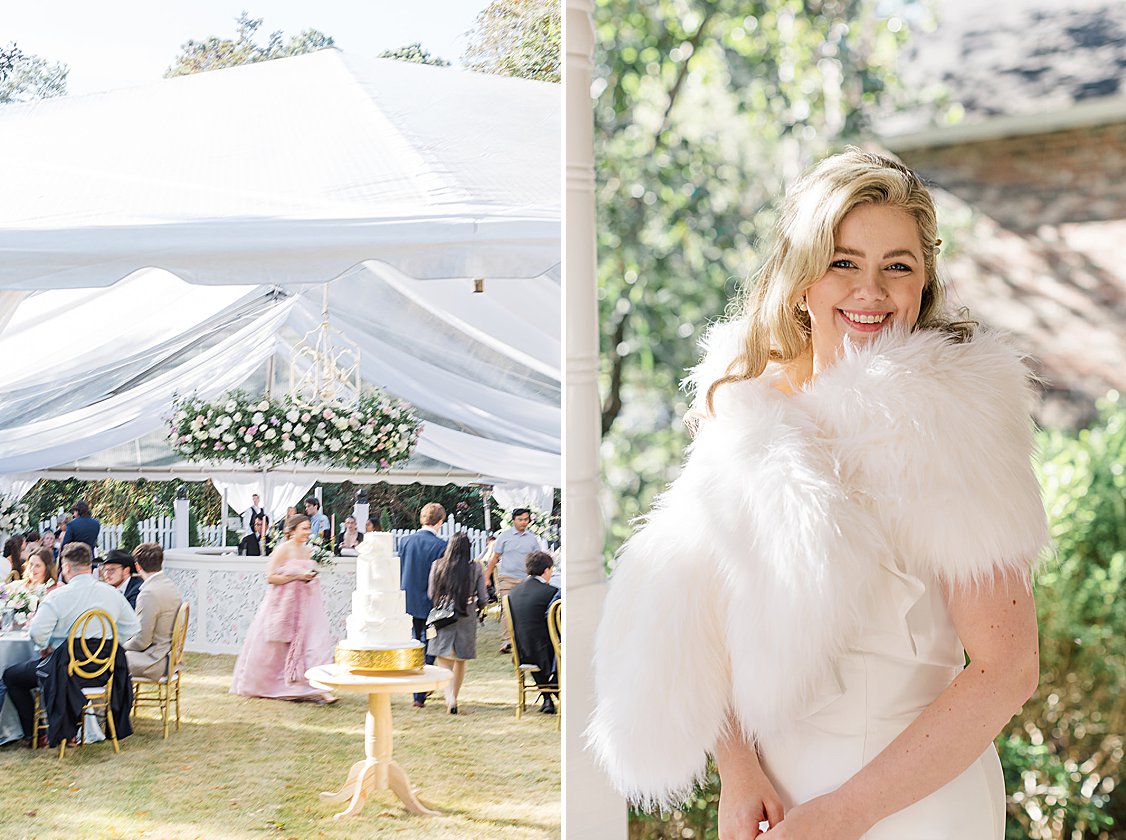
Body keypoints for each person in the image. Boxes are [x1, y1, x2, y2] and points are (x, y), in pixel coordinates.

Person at [588, 149, 1047, 839]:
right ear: (801, 279)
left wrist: (843, 815)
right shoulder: (747, 419)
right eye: (843, 262)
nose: (871, 291)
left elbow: (1008, 668)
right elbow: (707, 622)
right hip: (775, 802)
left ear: (923, 284)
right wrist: (739, 770)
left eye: (898, 265)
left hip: (914, 806)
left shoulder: (949, 424)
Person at [2, 542, 140, 745]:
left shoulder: (59, 595)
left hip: (64, 672)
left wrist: (46, 648)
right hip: (102, 671)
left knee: (11, 676)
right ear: (90, 565)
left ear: (65, 567)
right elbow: (133, 627)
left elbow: (37, 633)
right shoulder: (112, 594)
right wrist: (106, 647)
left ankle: (37, 734)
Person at [229, 514, 336, 703]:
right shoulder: (283, 550)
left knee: (312, 645)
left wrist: (310, 577)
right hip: (282, 605)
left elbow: (307, 574)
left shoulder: (308, 550)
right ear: (292, 530)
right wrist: (296, 577)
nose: (307, 532)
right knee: (276, 649)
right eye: (303, 528)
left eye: (308, 528)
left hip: (306, 605)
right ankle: (273, 685)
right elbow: (270, 577)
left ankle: (316, 688)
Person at [427, 533, 487, 714]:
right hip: (466, 614)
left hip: (443, 615)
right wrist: (479, 606)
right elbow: (483, 596)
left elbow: (431, 593)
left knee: (443, 659)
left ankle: (450, 699)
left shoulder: (437, 565)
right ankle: (455, 696)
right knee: (460, 659)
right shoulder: (476, 568)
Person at [397, 502, 447, 707]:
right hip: (430, 601)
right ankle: (419, 691)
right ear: (440, 521)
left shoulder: (405, 541)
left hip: (408, 599)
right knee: (429, 644)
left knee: (414, 641)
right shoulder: (441, 546)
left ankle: (417, 688)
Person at [506, 550, 558, 715]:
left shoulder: (513, 593)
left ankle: (547, 699)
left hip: (520, 651)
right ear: (546, 570)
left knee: (534, 642)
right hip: (546, 653)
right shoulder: (551, 593)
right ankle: (556, 693)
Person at [486, 509, 545, 653]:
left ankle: (524, 641)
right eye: (520, 519)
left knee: (526, 611)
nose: (524, 522)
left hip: (526, 579)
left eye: (526, 519)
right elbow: (494, 558)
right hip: (507, 578)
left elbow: (537, 559)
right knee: (507, 609)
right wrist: (487, 577)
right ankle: (507, 641)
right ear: (514, 520)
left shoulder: (532, 538)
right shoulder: (504, 537)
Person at [123, 543, 184, 681]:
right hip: (169, 657)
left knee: (104, 661)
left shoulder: (148, 593)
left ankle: (109, 703)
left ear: (137, 566)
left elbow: (142, 641)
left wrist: (120, 645)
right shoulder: (170, 585)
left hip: (154, 661)